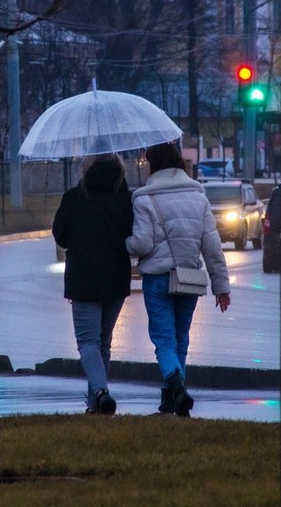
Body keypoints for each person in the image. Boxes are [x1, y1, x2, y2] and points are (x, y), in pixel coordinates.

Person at [126, 143, 231, 416]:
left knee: (163, 341)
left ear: (153, 166)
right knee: (180, 339)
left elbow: (140, 244)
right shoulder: (199, 197)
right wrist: (221, 287)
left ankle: (176, 388)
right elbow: (212, 248)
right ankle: (172, 397)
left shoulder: (144, 199)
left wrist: (123, 242)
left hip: (158, 279)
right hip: (189, 278)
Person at [52, 153, 134, 415]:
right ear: (120, 170)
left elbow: (60, 237)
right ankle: (95, 405)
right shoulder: (126, 199)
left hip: (83, 279)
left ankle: (100, 392)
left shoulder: (75, 198)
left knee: (88, 342)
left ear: (86, 168)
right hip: (117, 278)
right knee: (103, 343)